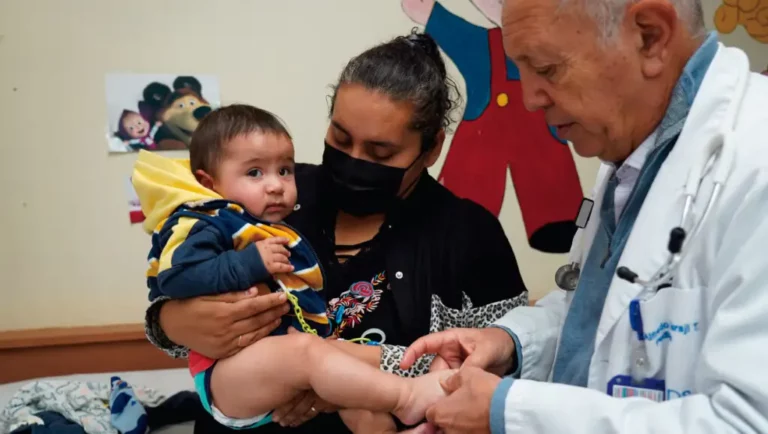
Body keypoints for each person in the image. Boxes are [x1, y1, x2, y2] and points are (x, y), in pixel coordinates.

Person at [400, 0, 768, 432]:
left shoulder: (752, 161)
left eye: (546, 69)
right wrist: (510, 342)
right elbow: (606, 315)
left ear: (650, 37)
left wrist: (510, 412)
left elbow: (746, 422)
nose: (530, 99)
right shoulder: (634, 153)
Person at [143, 31, 530, 434]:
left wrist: (342, 373)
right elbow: (181, 278)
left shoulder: (470, 235)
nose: (354, 161)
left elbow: (497, 367)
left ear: (431, 148)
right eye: (340, 138)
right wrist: (171, 322)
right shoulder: (270, 197)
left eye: (381, 152)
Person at [133, 105, 451, 432]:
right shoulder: (203, 221)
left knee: (356, 392)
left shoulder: (269, 222)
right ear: (209, 183)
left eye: (285, 170)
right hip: (226, 371)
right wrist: (249, 263)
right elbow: (175, 277)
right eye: (254, 173)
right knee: (308, 352)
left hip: (281, 359)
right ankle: (406, 397)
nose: (275, 185)